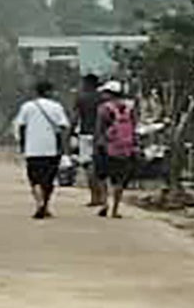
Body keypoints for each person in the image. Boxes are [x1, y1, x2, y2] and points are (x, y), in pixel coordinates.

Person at [13, 74, 73, 218]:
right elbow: (64, 127)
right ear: (50, 92)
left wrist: (22, 143)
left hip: (32, 149)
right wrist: (64, 148)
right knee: (48, 180)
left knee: (34, 179)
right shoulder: (56, 107)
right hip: (51, 150)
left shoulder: (27, 106)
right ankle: (45, 204)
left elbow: (21, 126)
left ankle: (39, 203)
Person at [96, 78, 141, 216]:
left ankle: (104, 202)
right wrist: (135, 144)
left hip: (107, 146)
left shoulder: (104, 108)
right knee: (119, 180)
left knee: (102, 176)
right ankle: (115, 209)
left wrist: (98, 143)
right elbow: (134, 126)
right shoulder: (130, 107)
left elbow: (99, 128)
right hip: (125, 147)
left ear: (110, 93)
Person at [71, 71, 106, 212]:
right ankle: (102, 196)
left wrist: (71, 132)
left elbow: (75, 117)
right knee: (100, 166)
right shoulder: (103, 98)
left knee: (88, 166)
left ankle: (94, 197)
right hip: (102, 135)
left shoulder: (81, 98)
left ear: (86, 84)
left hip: (86, 135)